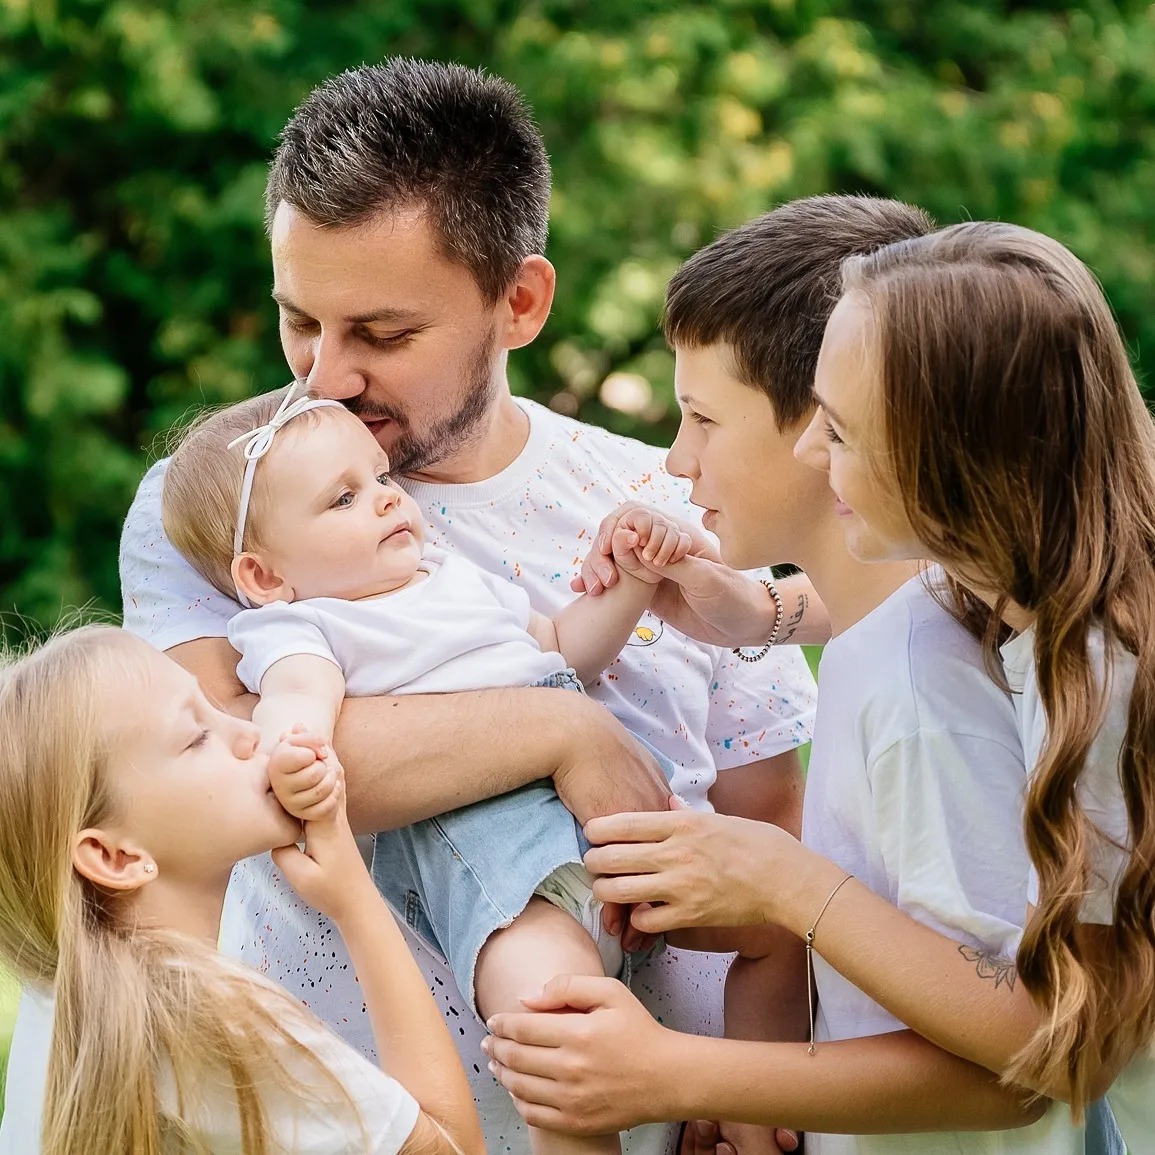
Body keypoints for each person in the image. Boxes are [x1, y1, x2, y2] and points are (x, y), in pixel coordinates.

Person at [0, 58, 817, 1155]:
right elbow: (258, 772)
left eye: (381, 335)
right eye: (301, 323)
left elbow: (767, 816)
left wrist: (750, 1074)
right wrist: (561, 726)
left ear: (519, 302)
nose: (325, 377)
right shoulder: (232, 505)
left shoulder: (678, 489)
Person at [491, 217, 1148, 1151]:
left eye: (834, 428)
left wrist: (774, 898)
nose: (808, 452)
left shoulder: (974, 685)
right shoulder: (992, 608)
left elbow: (1037, 1047)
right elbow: (908, 599)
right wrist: (754, 612)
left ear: (937, 450)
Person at [161, 385, 696, 1154]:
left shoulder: (451, 575)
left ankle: (767, 1086)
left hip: (603, 820)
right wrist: (298, 754)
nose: (386, 501)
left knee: (768, 921)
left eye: (380, 478)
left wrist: (632, 582)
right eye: (343, 498)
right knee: (556, 1031)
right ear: (266, 574)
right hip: (488, 846)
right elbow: (294, 703)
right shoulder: (305, 624)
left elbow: (563, 647)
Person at [0, 625, 483, 1154]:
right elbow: (452, 1148)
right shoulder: (211, 1022)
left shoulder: (60, 1012)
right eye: (197, 737)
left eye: (213, 707)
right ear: (115, 857)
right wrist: (355, 903)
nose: (247, 732)